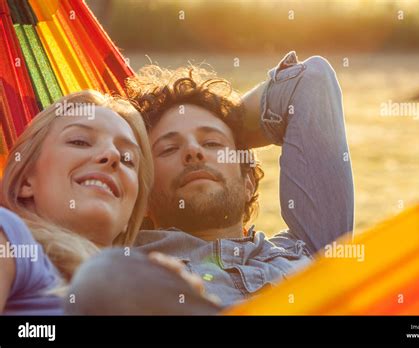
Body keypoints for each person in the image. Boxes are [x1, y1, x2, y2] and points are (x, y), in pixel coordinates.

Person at [66, 51, 354, 314]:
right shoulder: (122, 268)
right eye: (168, 149)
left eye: (212, 143)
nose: (194, 151)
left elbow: (310, 81)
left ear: (248, 184)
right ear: (143, 199)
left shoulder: (313, 249)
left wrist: (230, 122)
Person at [0, 90, 215, 315]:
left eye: (128, 159)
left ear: (131, 215)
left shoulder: (146, 283)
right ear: (25, 181)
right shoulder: (10, 239)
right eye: (80, 141)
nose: (111, 155)